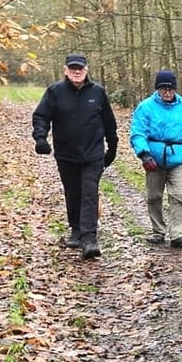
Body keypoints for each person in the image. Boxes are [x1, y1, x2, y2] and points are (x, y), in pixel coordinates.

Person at [32, 53, 118, 260]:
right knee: (73, 192)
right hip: (66, 154)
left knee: (89, 192)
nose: (76, 72)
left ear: (86, 70)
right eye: (72, 68)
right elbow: (41, 116)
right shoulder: (55, 92)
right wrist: (40, 139)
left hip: (93, 154)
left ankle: (89, 239)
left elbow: (109, 121)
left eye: (80, 68)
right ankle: (76, 230)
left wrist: (112, 147)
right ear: (66, 70)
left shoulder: (97, 92)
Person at [130, 69, 182, 248]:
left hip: (178, 157)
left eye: (170, 89)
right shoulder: (145, 107)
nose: (167, 93)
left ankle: (179, 233)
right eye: (163, 89)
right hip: (154, 157)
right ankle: (158, 230)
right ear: (158, 89)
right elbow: (138, 133)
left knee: (179, 195)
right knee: (154, 196)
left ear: (175, 89)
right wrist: (144, 154)